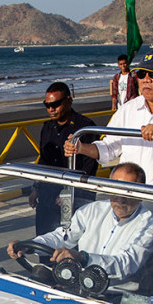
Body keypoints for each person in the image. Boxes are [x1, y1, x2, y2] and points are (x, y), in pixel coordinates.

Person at [65, 47, 153, 193]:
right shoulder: (127, 109)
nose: (146, 80)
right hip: (130, 194)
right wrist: (81, 148)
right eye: (141, 74)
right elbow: (109, 148)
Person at [7, 163, 153, 284]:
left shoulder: (148, 225)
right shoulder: (94, 210)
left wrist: (83, 258)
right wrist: (29, 245)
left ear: (141, 195)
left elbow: (126, 264)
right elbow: (63, 236)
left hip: (117, 295)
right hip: (79, 284)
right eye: (116, 189)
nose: (120, 198)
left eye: (128, 191)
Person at [32, 82, 97, 234]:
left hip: (76, 197)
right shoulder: (47, 127)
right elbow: (43, 161)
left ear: (69, 101)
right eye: (47, 105)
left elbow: (89, 167)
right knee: (44, 241)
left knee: (70, 244)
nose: (51, 109)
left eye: (55, 104)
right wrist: (35, 189)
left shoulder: (84, 127)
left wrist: (69, 191)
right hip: (48, 194)